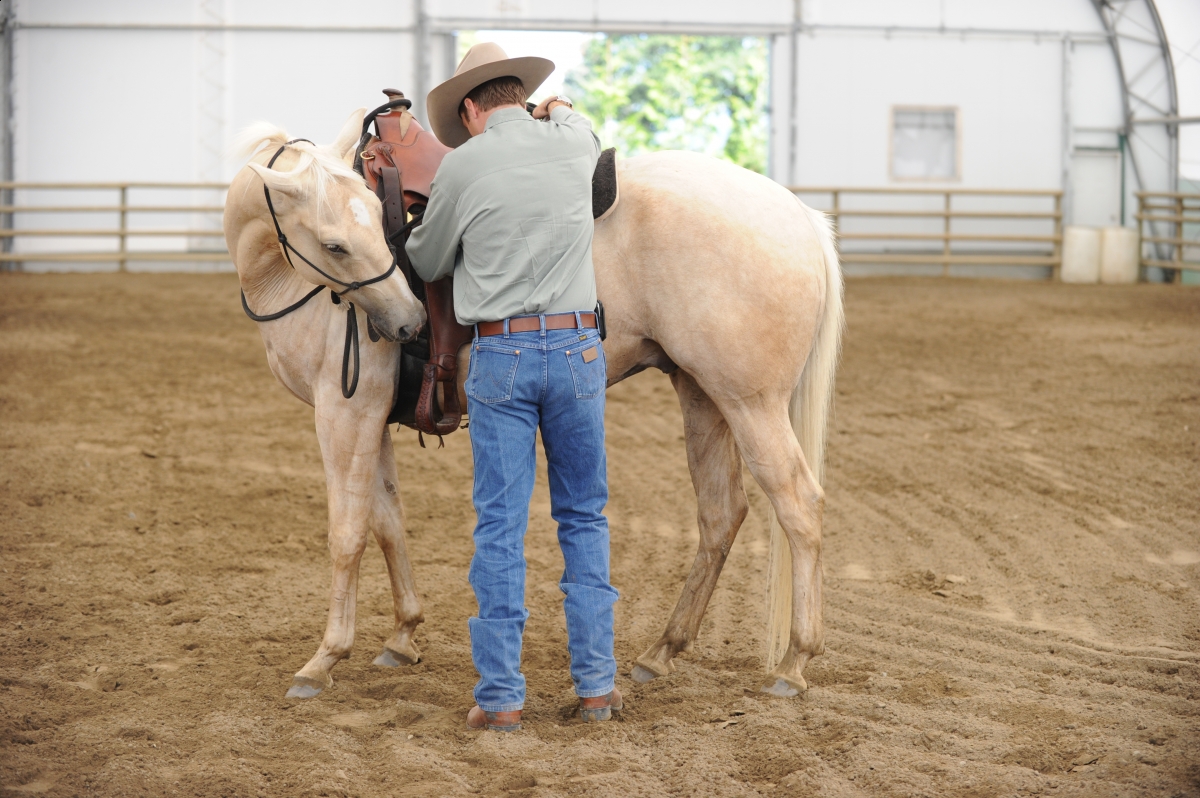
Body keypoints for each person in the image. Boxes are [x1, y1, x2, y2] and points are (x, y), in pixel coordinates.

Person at [405, 42, 620, 733]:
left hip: (502, 354)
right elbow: (581, 124)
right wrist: (555, 109)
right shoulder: (574, 139)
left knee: (500, 525)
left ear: (470, 108)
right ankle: (596, 689)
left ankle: (501, 699)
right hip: (580, 348)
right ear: (521, 96)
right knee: (583, 517)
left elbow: (429, 257)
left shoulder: (465, 164)